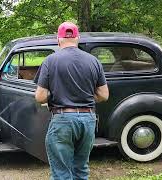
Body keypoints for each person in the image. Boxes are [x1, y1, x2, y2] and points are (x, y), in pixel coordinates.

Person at [35, 22, 109, 180]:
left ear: (58, 39)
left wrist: (56, 95)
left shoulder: (50, 61)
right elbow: (104, 95)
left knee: (61, 172)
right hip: (88, 119)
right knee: (81, 169)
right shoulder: (93, 61)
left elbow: (40, 96)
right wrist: (85, 97)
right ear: (78, 38)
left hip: (62, 120)